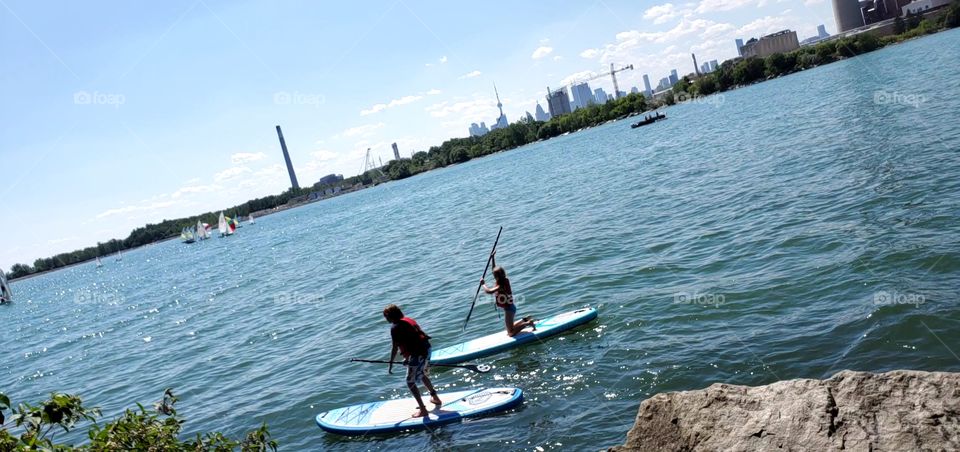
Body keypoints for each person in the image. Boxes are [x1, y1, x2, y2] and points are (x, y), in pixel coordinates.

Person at [383, 304, 442, 418]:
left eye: (386, 316)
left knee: (410, 382)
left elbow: (395, 347)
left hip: (418, 354)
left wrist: (390, 363)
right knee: (422, 374)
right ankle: (435, 397)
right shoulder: (408, 320)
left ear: (390, 316)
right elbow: (411, 340)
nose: (386, 319)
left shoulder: (395, 327)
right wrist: (407, 358)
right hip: (427, 349)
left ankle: (423, 410)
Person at [481, 251, 535, 337]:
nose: (493, 275)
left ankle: (528, 323)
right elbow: (494, 269)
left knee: (510, 333)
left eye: (494, 275)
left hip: (509, 308)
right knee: (510, 328)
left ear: (496, 277)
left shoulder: (501, 285)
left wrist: (483, 284)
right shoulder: (504, 280)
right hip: (510, 307)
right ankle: (525, 319)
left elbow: (489, 291)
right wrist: (492, 258)